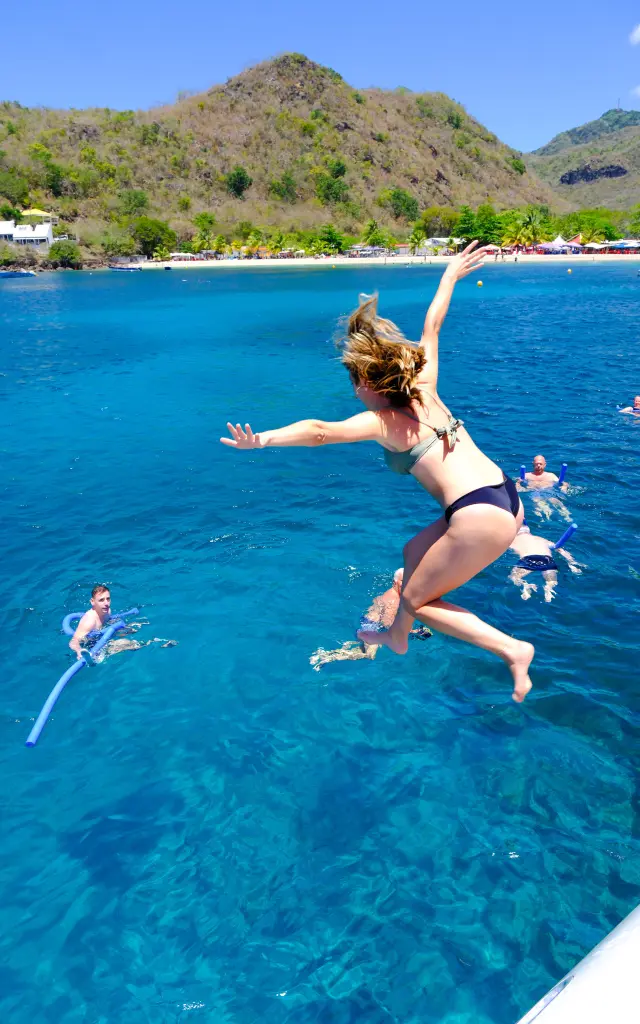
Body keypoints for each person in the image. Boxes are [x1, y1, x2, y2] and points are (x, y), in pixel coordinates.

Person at [221, 241, 534, 702]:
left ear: (367, 383)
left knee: (419, 603)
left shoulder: (384, 421)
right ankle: (400, 633)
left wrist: (262, 439)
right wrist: (448, 276)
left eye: (355, 387)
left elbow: (319, 431)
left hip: (477, 516)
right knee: (412, 554)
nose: (355, 396)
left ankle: (507, 649)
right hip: (504, 496)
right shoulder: (424, 389)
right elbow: (432, 327)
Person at [310, 569, 431, 671]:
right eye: (403, 581)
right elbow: (387, 623)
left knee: (362, 648)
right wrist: (413, 632)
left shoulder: (392, 594)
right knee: (369, 655)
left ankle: (330, 654)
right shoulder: (394, 599)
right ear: (395, 582)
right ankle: (327, 657)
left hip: (368, 623)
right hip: (372, 627)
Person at [69, 584, 176, 662]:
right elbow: (73, 641)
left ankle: (153, 641)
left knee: (134, 628)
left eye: (108, 599)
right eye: (101, 600)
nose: (106, 603)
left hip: (104, 633)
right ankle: (154, 643)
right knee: (126, 644)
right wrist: (79, 651)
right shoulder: (89, 620)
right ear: (92, 602)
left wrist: (123, 627)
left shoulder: (107, 610)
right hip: (92, 646)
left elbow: (109, 622)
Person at [509, 524, 583, 602]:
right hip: (547, 559)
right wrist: (572, 561)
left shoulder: (513, 541)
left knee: (514, 577)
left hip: (529, 559)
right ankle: (548, 589)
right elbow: (558, 548)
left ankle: (526, 585)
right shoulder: (541, 539)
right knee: (551, 582)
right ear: (528, 531)